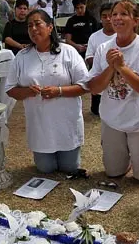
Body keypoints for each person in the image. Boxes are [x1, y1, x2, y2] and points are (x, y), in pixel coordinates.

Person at [84, 0, 139, 183]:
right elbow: (95, 89)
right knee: (113, 173)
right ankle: (130, 155)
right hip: (112, 121)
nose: (117, 18)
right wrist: (111, 68)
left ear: (136, 21)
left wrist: (122, 68)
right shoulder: (103, 48)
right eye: (114, 14)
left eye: (123, 14)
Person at [6, 10, 88, 174]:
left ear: (50, 27)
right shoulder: (22, 56)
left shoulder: (68, 52)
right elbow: (10, 89)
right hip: (40, 126)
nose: (33, 29)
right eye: (30, 26)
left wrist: (58, 91)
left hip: (66, 124)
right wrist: (27, 92)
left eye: (38, 24)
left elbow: (85, 85)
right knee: (46, 169)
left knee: (70, 168)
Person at [86, 3, 116, 116]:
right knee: (97, 111)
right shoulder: (94, 37)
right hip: (100, 76)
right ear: (100, 18)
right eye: (104, 16)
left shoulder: (122, 36)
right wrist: (101, 67)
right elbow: (89, 57)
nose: (108, 19)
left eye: (110, 15)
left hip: (118, 76)